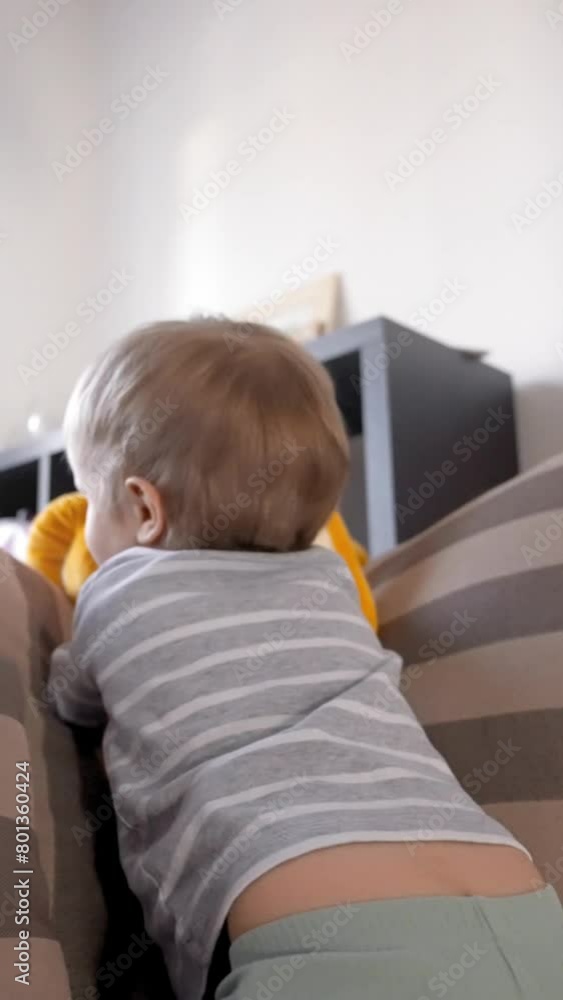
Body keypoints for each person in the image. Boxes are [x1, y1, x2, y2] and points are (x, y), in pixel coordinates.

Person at [48, 318, 563, 1000]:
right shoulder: (330, 586)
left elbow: (68, 698)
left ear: (143, 507)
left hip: (321, 932)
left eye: (90, 499)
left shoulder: (120, 592)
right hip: (523, 907)